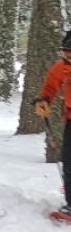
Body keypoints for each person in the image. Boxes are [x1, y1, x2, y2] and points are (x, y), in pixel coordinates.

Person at [34, 31, 71, 218]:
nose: (68, 55)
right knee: (69, 161)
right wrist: (44, 100)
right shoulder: (60, 68)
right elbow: (50, 86)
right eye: (66, 52)